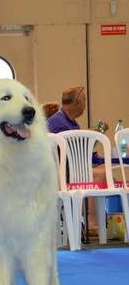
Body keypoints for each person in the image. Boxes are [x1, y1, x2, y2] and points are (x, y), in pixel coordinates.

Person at [47, 86, 104, 233]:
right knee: (100, 175)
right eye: (84, 100)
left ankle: (89, 221)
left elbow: (79, 151)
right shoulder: (57, 122)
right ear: (76, 102)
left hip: (70, 170)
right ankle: (92, 223)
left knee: (99, 173)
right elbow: (70, 152)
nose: (85, 104)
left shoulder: (71, 123)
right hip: (59, 175)